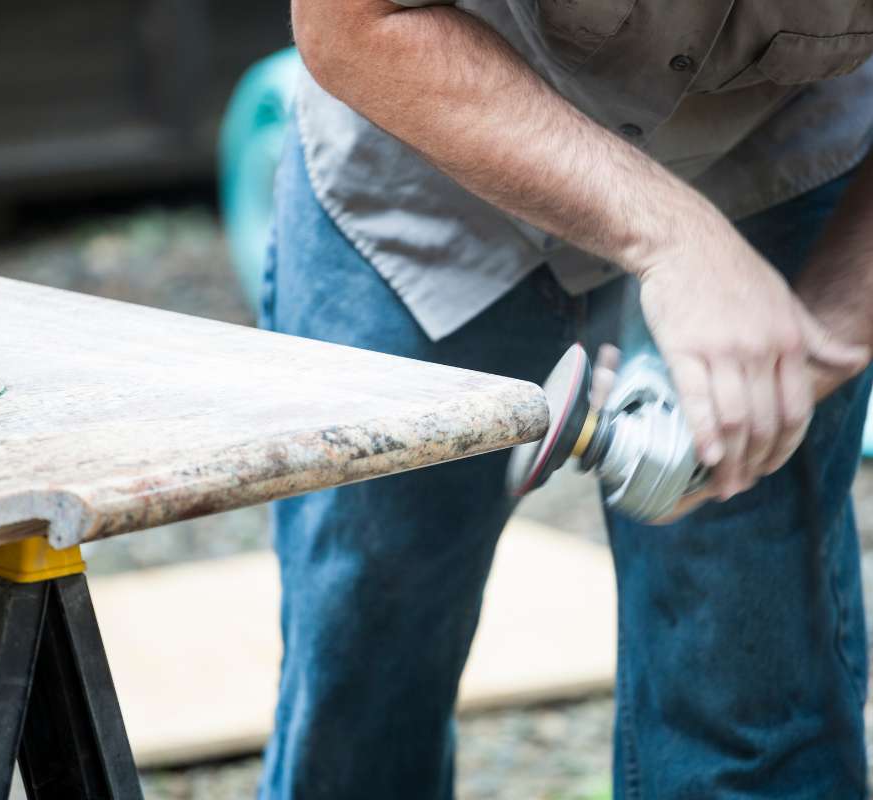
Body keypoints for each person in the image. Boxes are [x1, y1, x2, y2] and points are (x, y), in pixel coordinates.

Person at [258, 1, 873, 797]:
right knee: (362, 667)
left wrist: (827, 335)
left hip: (770, 164)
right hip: (430, 158)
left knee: (752, 700)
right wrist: (675, 239)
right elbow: (354, 22)